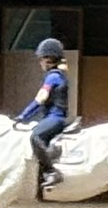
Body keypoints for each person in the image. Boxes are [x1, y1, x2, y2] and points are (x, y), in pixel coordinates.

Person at [14, 38, 71, 189]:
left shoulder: (53, 77)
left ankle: (51, 172)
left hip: (55, 118)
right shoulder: (57, 75)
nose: (40, 62)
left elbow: (40, 99)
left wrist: (22, 116)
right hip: (50, 117)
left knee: (35, 136)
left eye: (41, 59)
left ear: (49, 59)